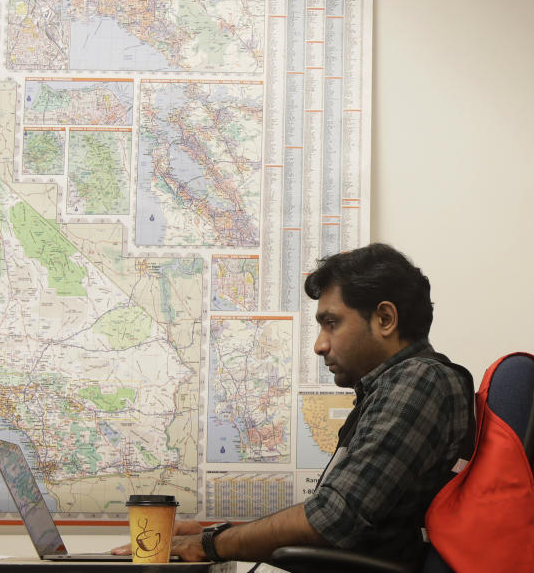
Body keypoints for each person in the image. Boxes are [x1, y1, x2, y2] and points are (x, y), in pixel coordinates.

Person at [112, 242, 474, 568]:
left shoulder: (419, 382)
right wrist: (210, 534)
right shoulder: (391, 387)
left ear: (385, 319)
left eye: (331, 323)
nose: (319, 345)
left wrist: (208, 544)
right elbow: (331, 514)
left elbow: (332, 518)